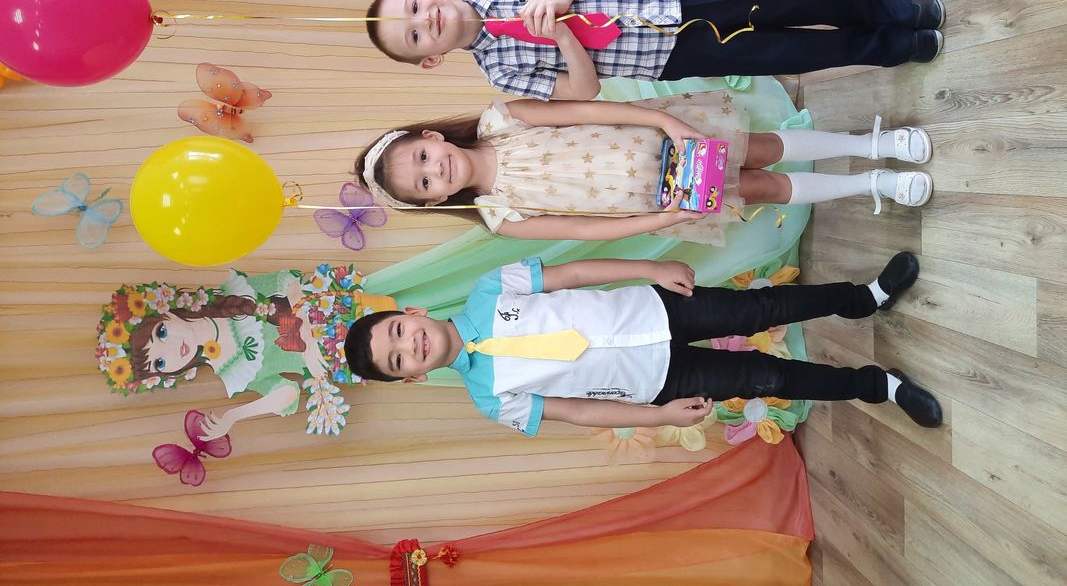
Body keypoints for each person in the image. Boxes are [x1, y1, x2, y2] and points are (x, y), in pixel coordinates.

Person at [343, 253, 943, 434]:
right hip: (655, 382)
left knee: (762, 308)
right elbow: (578, 412)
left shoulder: (488, 288)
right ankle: (879, 386)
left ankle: (863, 297)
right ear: (413, 377)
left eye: (398, 331)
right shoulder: (490, 400)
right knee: (770, 376)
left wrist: (649, 269)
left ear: (412, 313)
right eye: (400, 361)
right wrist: (658, 417)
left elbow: (575, 275)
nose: (411, 345)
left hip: (655, 308)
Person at [365, 0, 946, 100]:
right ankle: (896, 47)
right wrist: (563, 37)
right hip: (673, 55)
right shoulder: (500, 72)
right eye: (414, 37)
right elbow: (585, 90)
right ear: (430, 60)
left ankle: (897, 10)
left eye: (414, 7)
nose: (425, 20)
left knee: (796, 0)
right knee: (796, 52)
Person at [354, 95, 933, 245]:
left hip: (667, 139)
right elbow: (584, 231)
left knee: (763, 148)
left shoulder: (502, 119)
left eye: (423, 157)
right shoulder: (501, 216)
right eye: (425, 183)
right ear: (435, 200)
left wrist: (664, 121)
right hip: (664, 197)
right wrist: (662, 221)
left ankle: (871, 142)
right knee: (767, 188)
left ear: (431, 136)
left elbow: (588, 112)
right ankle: (870, 182)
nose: (436, 169)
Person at [96, 265, 395, 439]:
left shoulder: (236, 293)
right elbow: (287, 391)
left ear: (166, 309)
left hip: (347, 305)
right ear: (167, 375)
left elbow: (291, 282)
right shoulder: (233, 371)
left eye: (161, 333)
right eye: (160, 362)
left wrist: (305, 330)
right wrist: (234, 416)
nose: (173, 349)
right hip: (355, 356)